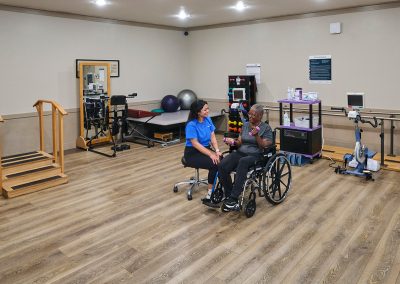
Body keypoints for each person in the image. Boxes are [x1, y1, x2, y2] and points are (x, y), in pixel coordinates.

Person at [219, 104, 273, 212]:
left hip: (256, 155)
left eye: (254, 115)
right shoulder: (245, 125)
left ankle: (234, 197)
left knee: (243, 162)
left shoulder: (266, 128)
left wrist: (257, 135)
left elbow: (264, 146)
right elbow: (240, 142)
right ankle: (229, 195)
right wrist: (233, 142)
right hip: (241, 152)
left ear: (260, 116)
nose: (251, 117)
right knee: (223, 165)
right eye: (250, 114)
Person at [184, 100, 222, 201]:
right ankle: (210, 193)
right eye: (205, 109)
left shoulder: (208, 119)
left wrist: (217, 151)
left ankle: (222, 188)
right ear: (198, 112)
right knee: (214, 163)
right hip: (192, 153)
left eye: (208, 108)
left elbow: (213, 136)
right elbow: (195, 144)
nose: (208, 111)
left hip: (205, 149)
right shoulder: (191, 125)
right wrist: (211, 154)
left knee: (221, 159)